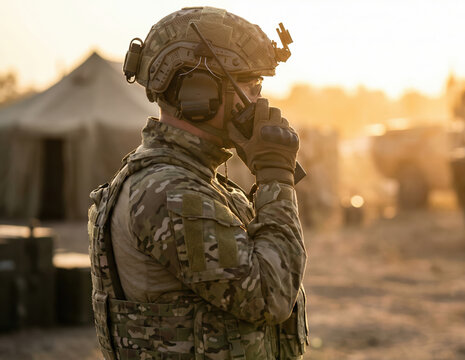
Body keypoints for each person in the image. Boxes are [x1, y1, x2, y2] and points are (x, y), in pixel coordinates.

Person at [88, 6, 308, 360]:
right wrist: (274, 175)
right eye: (250, 88)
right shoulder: (170, 192)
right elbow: (271, 295)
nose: (259, 102)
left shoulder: (194, 179)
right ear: (197, 92)